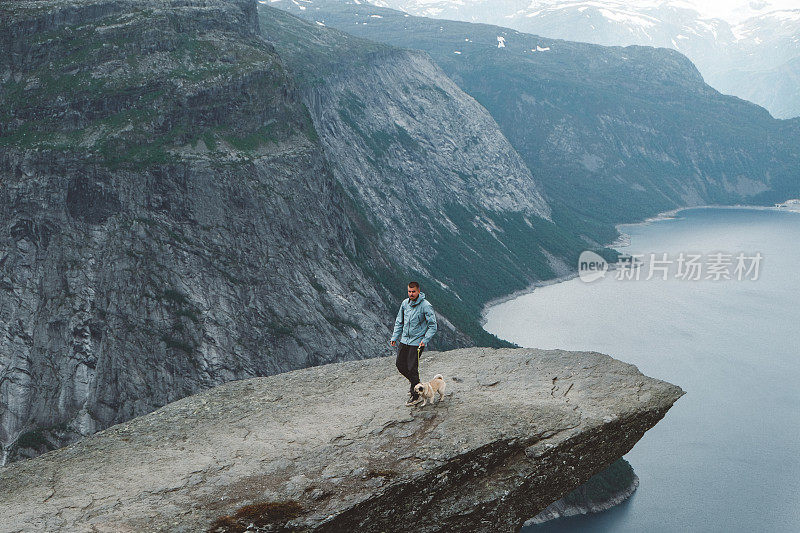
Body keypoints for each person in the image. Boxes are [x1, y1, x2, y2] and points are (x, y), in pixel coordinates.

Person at [390, 281, 437, 406]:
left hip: (417, 343)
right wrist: (395, 336)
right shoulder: (405, 304)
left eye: (413, 292)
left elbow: (433, 325)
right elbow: (399, 321)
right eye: (409, 292)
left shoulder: (426, 306)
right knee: (400, 365)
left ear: (418, 291)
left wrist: (425, 340)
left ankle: (416, 395)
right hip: (404, 340)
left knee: (412, 368)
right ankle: (416, 384)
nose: (411, 294)